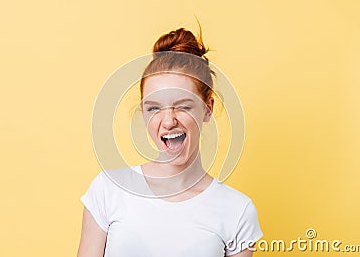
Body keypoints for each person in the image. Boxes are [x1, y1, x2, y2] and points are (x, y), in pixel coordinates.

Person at [77, 27, 263, 257]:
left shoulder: (237, 211)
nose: (168, 121)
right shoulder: (108, 190)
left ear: (207, 110)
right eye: (154, 107)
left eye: (183, 106)